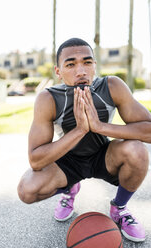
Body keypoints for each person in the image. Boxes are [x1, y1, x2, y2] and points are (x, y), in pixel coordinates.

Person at [17, 38, 151, 243]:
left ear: (95, 65)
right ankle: (70, 190)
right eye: (70, 64)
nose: (81, 71)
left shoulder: (112, 86)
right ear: (58, 71)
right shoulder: (48, 99)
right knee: (27, 190)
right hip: (68, 161)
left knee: (137, 150)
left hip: (104, 156)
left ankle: (119, 208)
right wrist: (80, 130)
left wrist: (100, 127)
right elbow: (36, 160)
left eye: (87, 62)